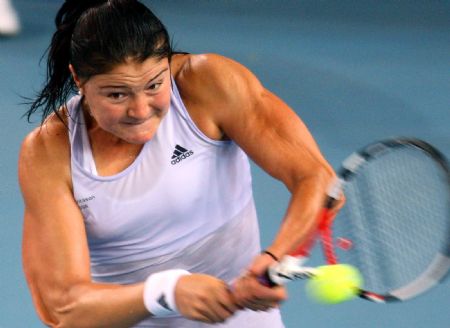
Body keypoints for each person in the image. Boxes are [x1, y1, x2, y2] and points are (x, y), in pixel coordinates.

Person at [19, 1, 338, 327]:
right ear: (78, 79)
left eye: (155, 85)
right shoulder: (49, 152)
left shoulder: (209, 85)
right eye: (117, 95)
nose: (141, 111)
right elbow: (60, 308)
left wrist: (275, 258)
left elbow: (316, 178)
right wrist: (167, 292)